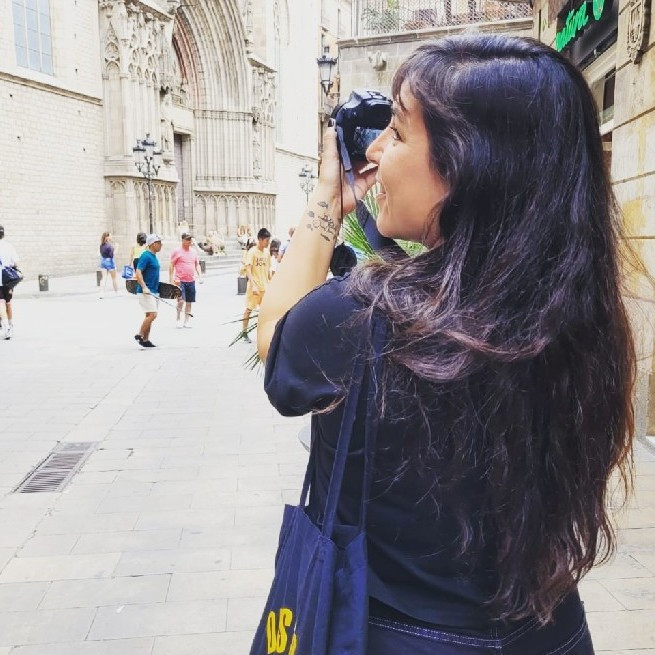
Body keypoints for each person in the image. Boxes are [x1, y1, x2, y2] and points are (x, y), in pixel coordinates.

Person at [257, 36, 636, 654]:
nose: (375, 150)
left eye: (398, 130)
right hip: (552, 635)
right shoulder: (578, 316)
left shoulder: (359, 320)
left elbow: (276, 336)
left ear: (466, 167)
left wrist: (328, 199)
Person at [241, 227, 271, 343]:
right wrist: (253, 285)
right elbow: (248, 269)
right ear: (260, 239)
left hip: (265, 287)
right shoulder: (252, 252)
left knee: (265, 312)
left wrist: (271, 283)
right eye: (266, 241)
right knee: (249, 309)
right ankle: (244, 332)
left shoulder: (266, 253)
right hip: (254, 288)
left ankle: (263, 334)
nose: (268, 243)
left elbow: (268, 270)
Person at [134, 234, 162, 348]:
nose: (161, 245)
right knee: (153, 315)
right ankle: (140, 335)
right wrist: (144, 287)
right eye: (159, 243)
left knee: (149, 315)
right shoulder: (145, 255)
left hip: (154, 290)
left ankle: (145, 340)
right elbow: (138, 272)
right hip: (146, 291)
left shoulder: (153, 256)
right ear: (152, 244)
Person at [169, 232, 202, 328]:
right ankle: (178, 319)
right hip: (179, 280)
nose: (189, 241)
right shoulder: (177, 251)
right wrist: (171, 279)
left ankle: (186, 320)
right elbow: (171, 264)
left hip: (191, 280)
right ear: (182, 240)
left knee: (189, 301)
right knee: (180, 301)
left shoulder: (193, 252)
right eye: (187, 239)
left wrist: (200, 276)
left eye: (190, 239)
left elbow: (197, 264)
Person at [0, 225, 19, 340]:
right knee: (8, 303)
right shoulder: (9, 246)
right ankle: (10, 325)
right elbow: (15, 263)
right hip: (8, 279)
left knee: (0, 303)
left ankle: (6, 327)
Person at [99, 232, 118, 297]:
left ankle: (101, 293)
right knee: (114, 278)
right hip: (110, 262)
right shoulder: (109, 246)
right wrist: (117, 248)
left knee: (104, 278)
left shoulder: (101, 245)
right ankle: (116, 293)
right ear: (107, 237)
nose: (111, 237)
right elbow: (112, 255)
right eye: (110, 236)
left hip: (103, 261)